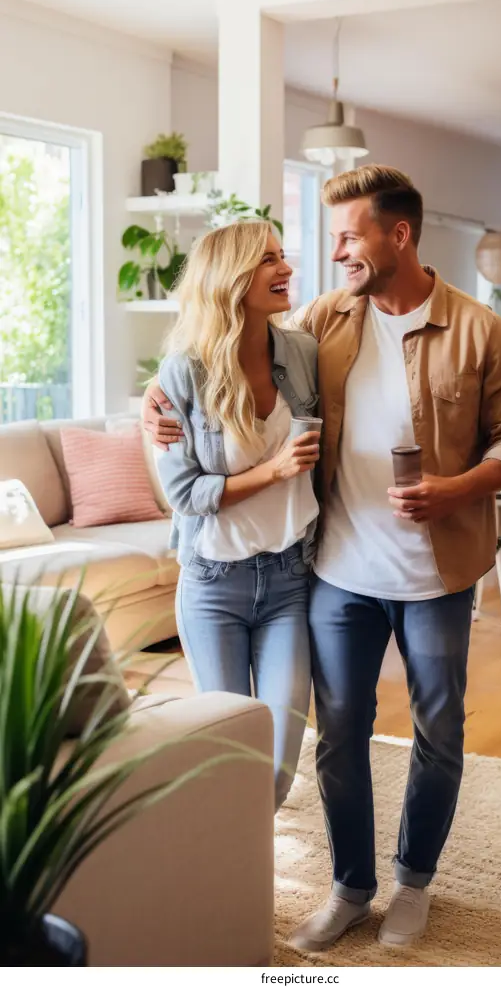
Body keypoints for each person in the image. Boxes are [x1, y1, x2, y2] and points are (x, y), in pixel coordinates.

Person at [143, 166, 501, 951]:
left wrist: (460, 486)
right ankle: (351, 887)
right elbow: (217, 355)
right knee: (337, 735)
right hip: (334, 576)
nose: (335, 254)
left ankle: (413, 883)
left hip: (438, 578)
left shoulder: (477, 328)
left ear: (400, 234)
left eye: (349, 236)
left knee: (439, 728)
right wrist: (153, 410)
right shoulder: (324, 320)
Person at [153, 220, 321, 811]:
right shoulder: (184, 372)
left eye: (283, 254)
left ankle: (239, 863)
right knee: (227, 748)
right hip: (212, 586)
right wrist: (273, 472)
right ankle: (230, 881)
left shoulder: (301, 353)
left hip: (289, 580)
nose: (286, 268)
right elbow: (184, 492)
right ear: (231, 278)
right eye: (268, 260)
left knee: (277, 756)